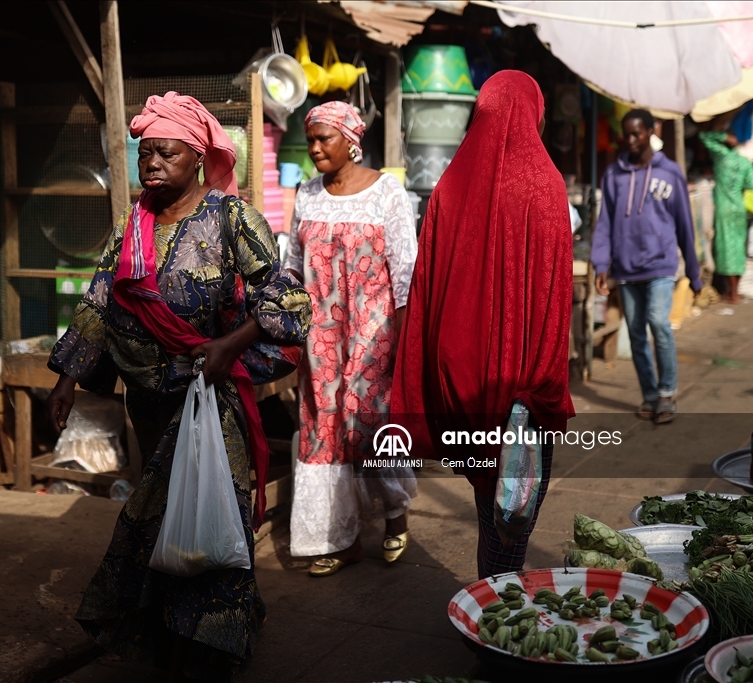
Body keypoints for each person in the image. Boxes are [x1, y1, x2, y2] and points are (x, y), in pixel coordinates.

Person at [45, 92, 311, 682]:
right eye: (145, 155)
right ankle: (185, 632)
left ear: (196, 156)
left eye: (166, 154)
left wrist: (229, 345)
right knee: (173, 515)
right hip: (149, 398)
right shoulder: (131, 224)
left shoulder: (229, 218)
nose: (153, 165)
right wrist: (68, 379)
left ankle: (212, 649)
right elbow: (99, 301)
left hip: (208, 396)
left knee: (206, 510)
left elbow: (286, 297)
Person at [391, 71, 574, 580]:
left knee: (488, 502)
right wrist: (548, 384)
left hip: (461, 381)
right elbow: (556, 297)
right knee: (514, 512)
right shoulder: (546, 185)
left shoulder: (450, 184)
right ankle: (496, 619)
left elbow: (428, 290)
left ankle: (489, 601)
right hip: (521, 385)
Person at [284, 101, 418, 577]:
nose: (315, 147)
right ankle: (335, 537)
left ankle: (393, 512)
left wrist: (403, 337)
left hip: (373, 326)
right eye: (311, 139)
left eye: (325, 138)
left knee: (366, 421)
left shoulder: (386, 192)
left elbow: (405, 271)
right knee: (323, 425)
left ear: (350, 140)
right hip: (319, 331)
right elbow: (292, 266)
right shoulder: (306, 195)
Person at [592, 109, 703, 424]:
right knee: (637, 334)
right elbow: (605, 223)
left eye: (636, 134)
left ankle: (667, 392)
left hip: (660, 265)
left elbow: (684, 224)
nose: (630, 141)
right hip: (626, 269)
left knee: (658, 322)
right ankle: (650, 395)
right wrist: (602, 263)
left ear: (652, 131)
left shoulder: (670, 173)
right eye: (626, 134)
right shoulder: (614, 175)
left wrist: (694, 274)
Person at [700, 128, 753, 303]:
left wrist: (722, 135)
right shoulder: (745, 162)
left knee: (725, 248)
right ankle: (735, 290)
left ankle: (731, 293)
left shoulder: (722, 156)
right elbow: (751, 184)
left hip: (724, 207)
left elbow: (704, 136)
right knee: (738, 246)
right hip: (739, 207)